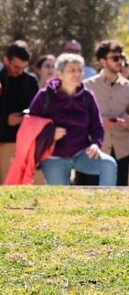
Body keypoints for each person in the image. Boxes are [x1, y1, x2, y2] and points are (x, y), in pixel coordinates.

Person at [27, 53, 118, 186]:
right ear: (60, 74)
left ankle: (105, 204)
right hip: (53, 156)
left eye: (80, 70)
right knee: (61, 198)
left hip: (81, 153)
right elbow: (30, 122)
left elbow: (97, 126)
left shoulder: (87, 97)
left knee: (108, 164)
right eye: (71, 70)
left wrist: (95, 144)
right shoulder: (44, 95)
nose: (77, 74)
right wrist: (50, 132)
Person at [83, 40, 129, 186]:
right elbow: (80, 118)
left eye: (121, 58)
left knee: (119, 196)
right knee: (93, 195)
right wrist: (101, 122)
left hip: (121, 151)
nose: (120, 61)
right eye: (115, 58)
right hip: (95, 150)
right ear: (102, 61)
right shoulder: (88, 86)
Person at [0, 40, 39, 183]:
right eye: (16, 66)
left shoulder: (30, 82)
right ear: (6, 60)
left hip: (27, 141)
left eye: (23, 67)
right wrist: (6, 120)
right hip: (5, 141)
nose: (19, 71)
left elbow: (37, 109)